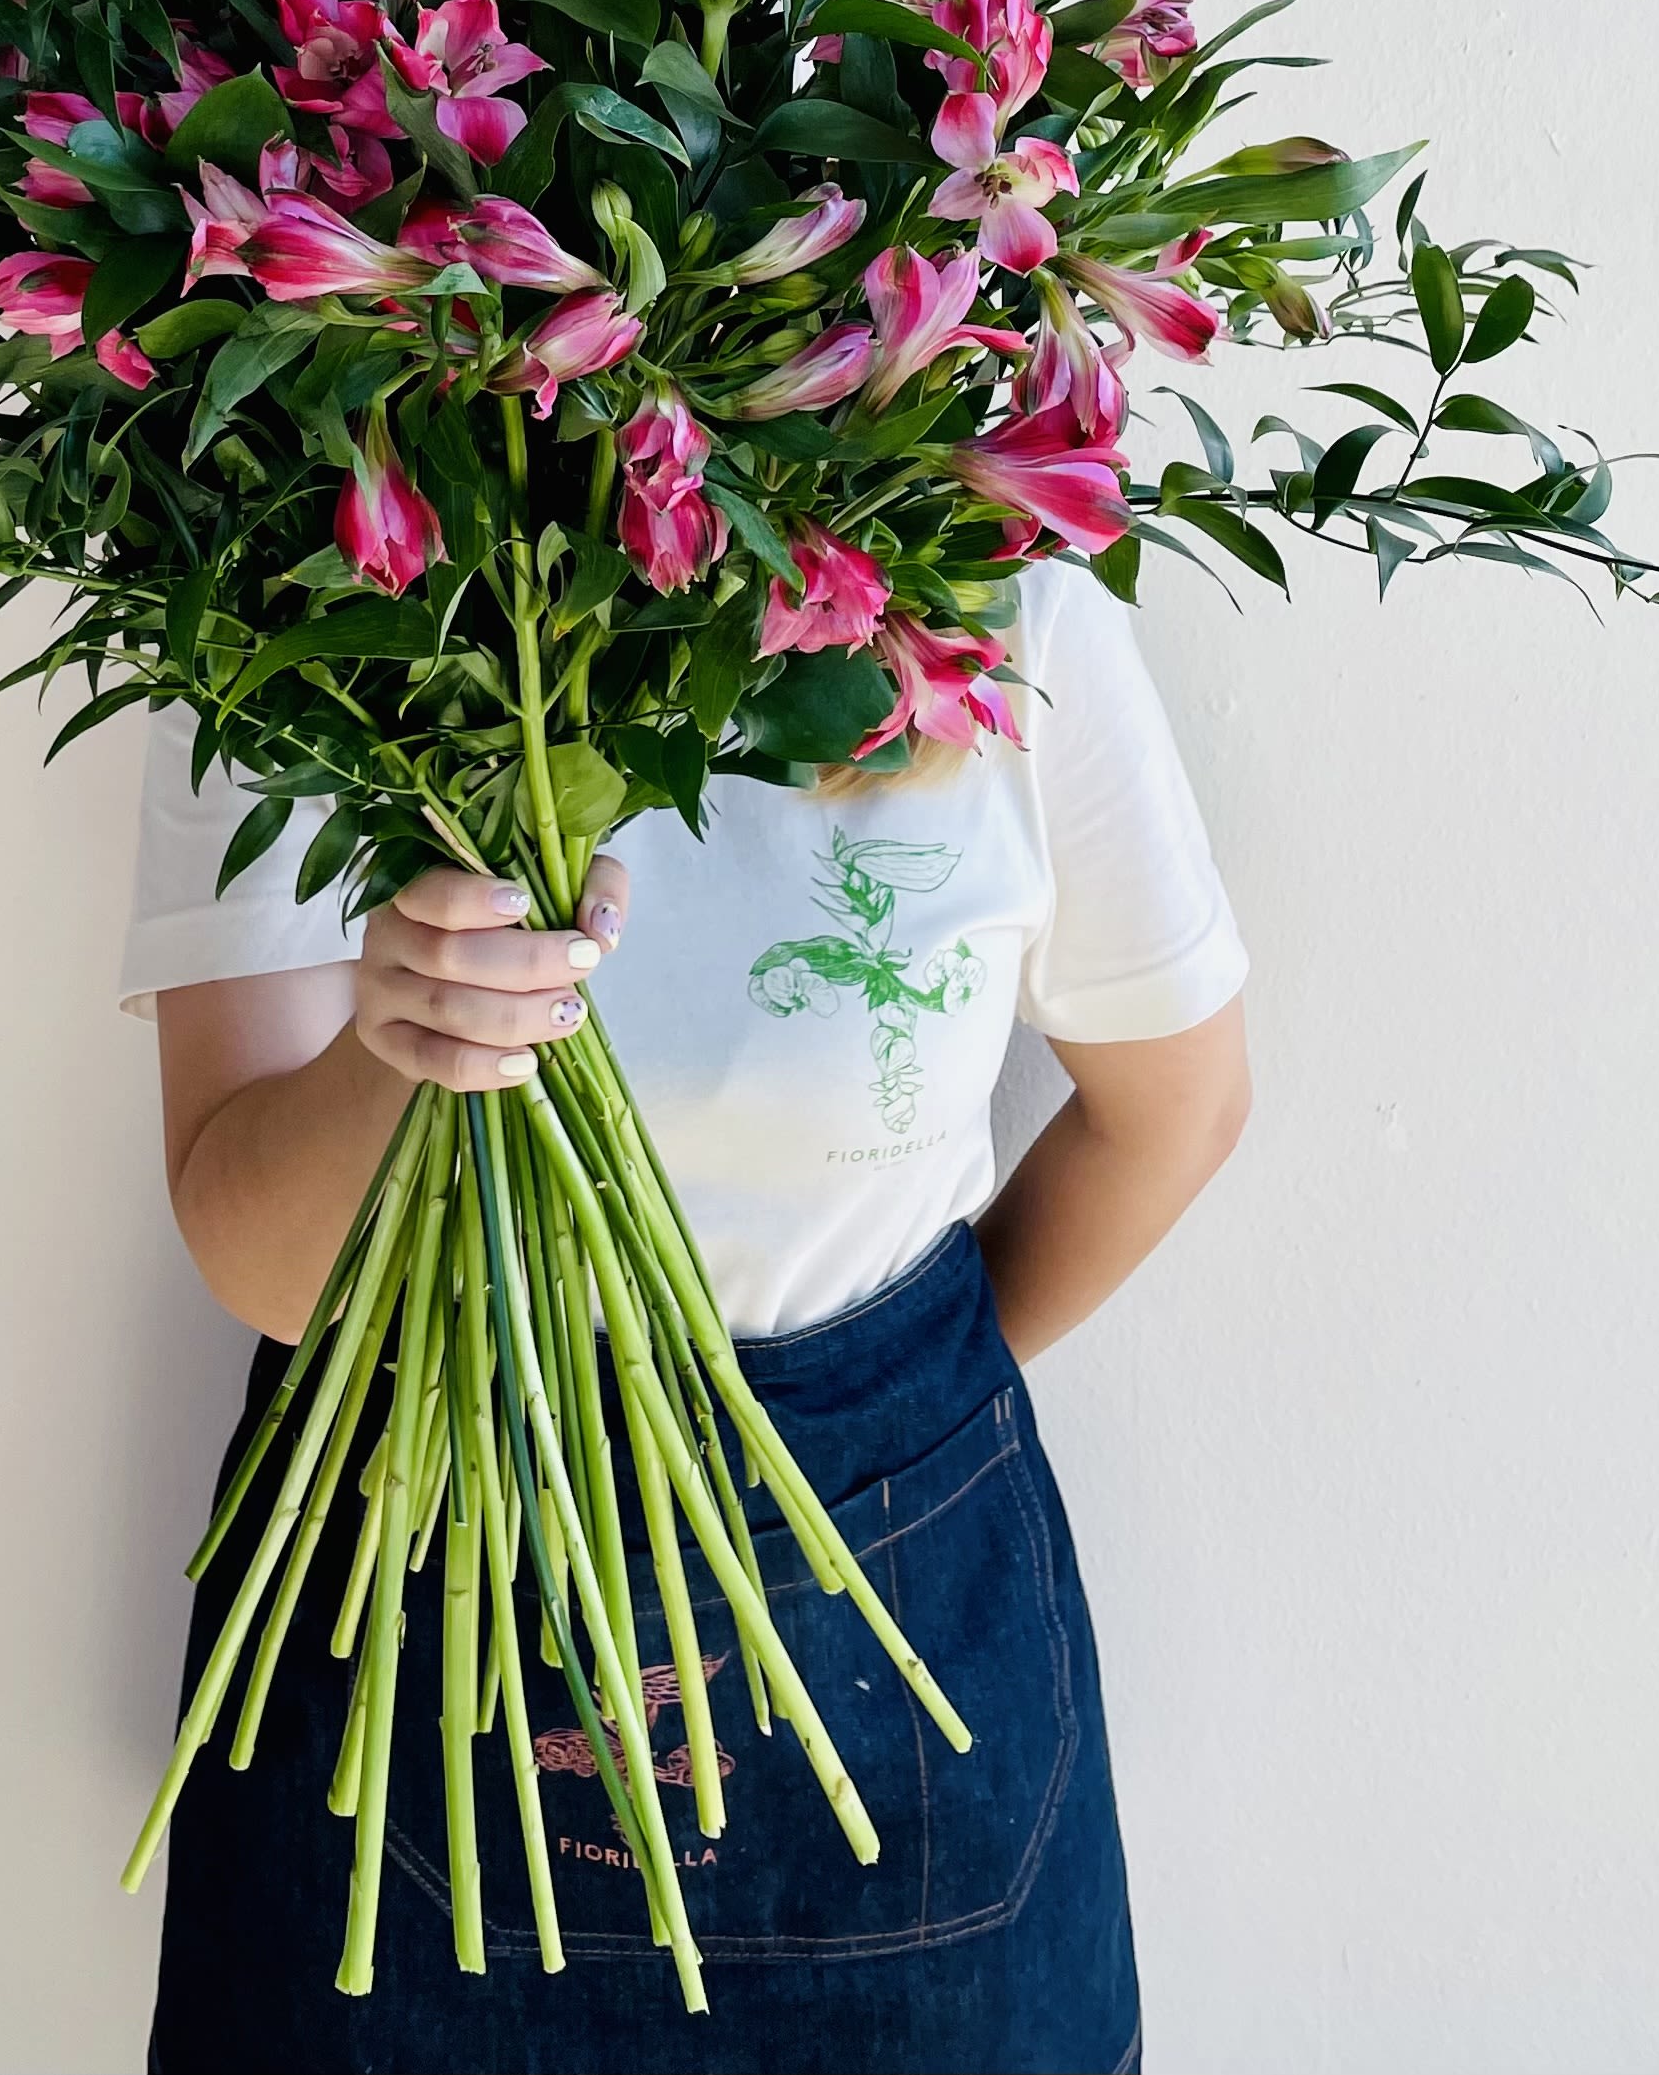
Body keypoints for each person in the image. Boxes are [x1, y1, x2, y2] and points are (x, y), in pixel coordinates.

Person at [125, 557, 1250, 2075]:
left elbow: (1172, 1106)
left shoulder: (1001, 612)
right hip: (405, 1597)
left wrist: (894, 1414)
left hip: (895, 1615)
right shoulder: (287, 577)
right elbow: (253, 1252)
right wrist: (405, 1046)